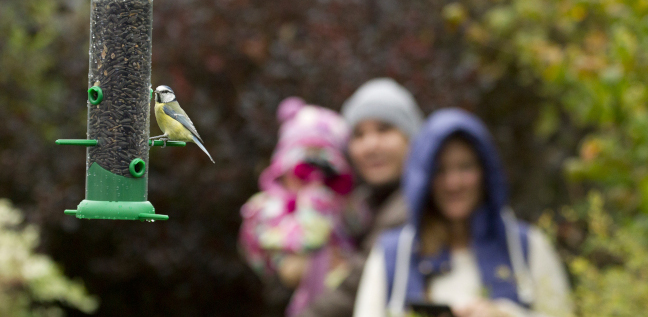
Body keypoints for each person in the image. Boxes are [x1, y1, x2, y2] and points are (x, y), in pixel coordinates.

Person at [354, 108, 574, 317]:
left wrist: (505, 314)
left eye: (465, 167)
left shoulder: (525, 247)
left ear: (485, 172)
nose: (454, 183)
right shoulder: (394, 255)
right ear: (424, 179)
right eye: (440, 170)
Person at [298, 78, 425, 317]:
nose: (370, 145)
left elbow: (356, 286)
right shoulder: (359, 206)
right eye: (358, 134)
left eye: (384, 129)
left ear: (412, 138)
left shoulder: (415, 205)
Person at [239, 97, 357, 317]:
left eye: (324, 165)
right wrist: (314, 200)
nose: (313, 176)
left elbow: (358, 227)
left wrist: (340, 192)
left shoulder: (340, 203)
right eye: (303, 167)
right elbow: (303, 242)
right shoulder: (266, 207)